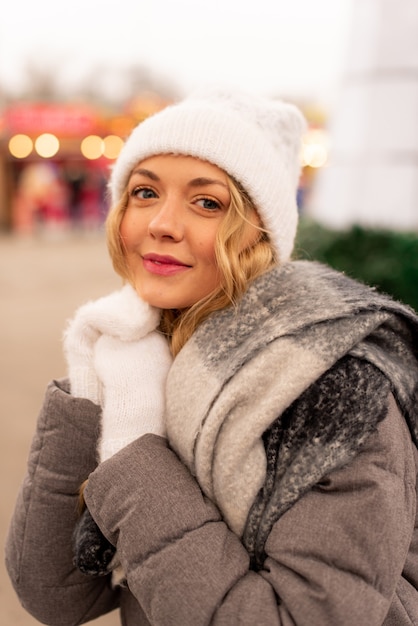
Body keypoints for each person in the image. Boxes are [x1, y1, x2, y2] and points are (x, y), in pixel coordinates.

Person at [5, 89, 418, 626]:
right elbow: (55, 595)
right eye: (145, 191)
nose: (162, 223)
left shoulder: (334, 383)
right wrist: (91, 384)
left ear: (261, 234)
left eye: (207, 203)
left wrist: (135, 455)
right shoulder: (136, 356)